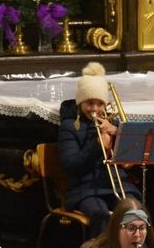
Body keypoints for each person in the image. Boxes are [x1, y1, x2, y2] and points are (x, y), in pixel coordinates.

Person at [58, 61, 140, 235]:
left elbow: (129, 162)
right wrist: (97, 145)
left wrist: (117, 133)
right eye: (89, 103)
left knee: (135, 212)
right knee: (100, 216)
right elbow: (71, 166)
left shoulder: (113, 123)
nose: (95, 109)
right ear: (80, 103)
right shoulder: (69, 126)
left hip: (117, 184)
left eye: (100, 104)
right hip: (85, 189)